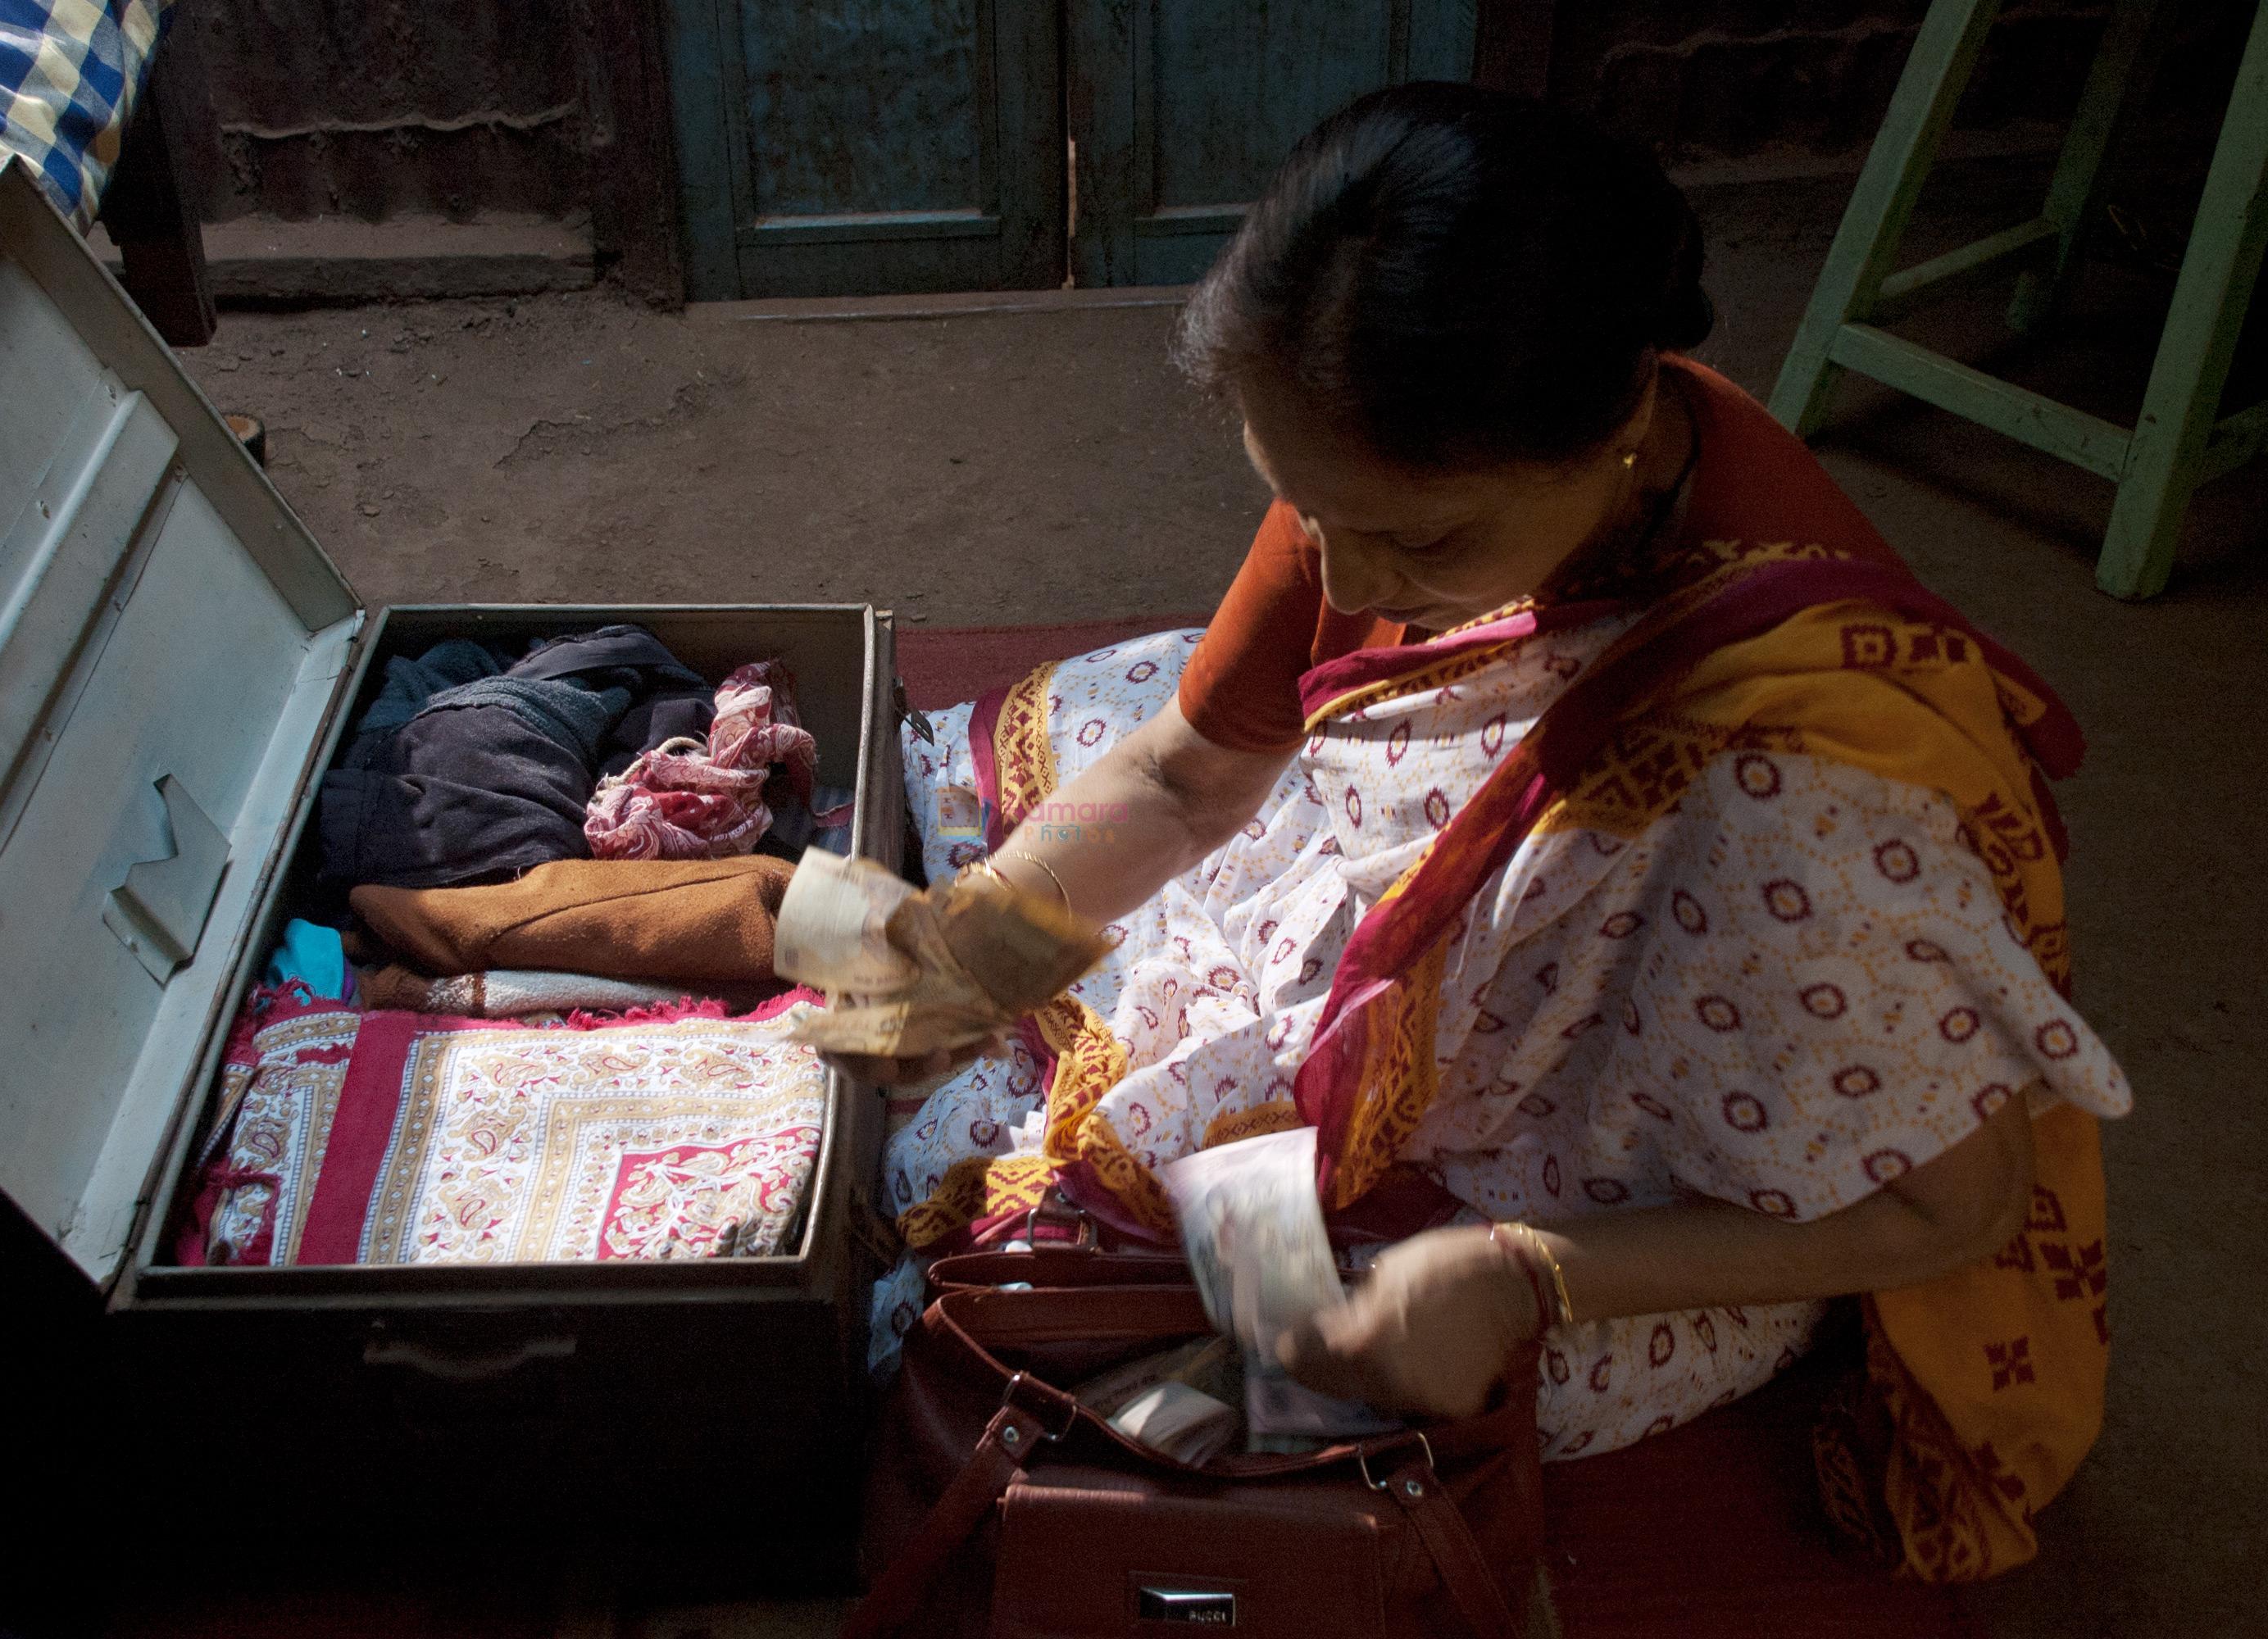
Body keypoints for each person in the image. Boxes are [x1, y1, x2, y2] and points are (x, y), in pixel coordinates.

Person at [852, 83, 2127, 1583]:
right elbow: (1202, 769)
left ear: (1635, 431)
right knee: (986, 1017)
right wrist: (976, 952)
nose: (1349, 572)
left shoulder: (1801, 788)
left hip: (1655, 1168)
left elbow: (1948, 1206)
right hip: (1464, 924)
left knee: (1175, 1321)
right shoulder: (1386, 448)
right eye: (1305, 512)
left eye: (1422, 543)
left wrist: (1523, 1277)